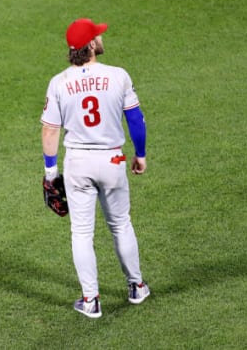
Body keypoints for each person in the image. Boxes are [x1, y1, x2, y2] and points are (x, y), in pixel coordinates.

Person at [40, 18, 150, 318]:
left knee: (81, 233)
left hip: (77, 163)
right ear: (90, 46)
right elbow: (136, 120)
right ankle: (136, 286)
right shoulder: (118, 76)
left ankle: (91, 301)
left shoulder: (59, 81)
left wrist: (51, 172)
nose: (101, 39)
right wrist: (140, 154)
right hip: (112, 160)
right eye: (97, 36)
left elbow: (50, 131)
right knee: (120, 225)